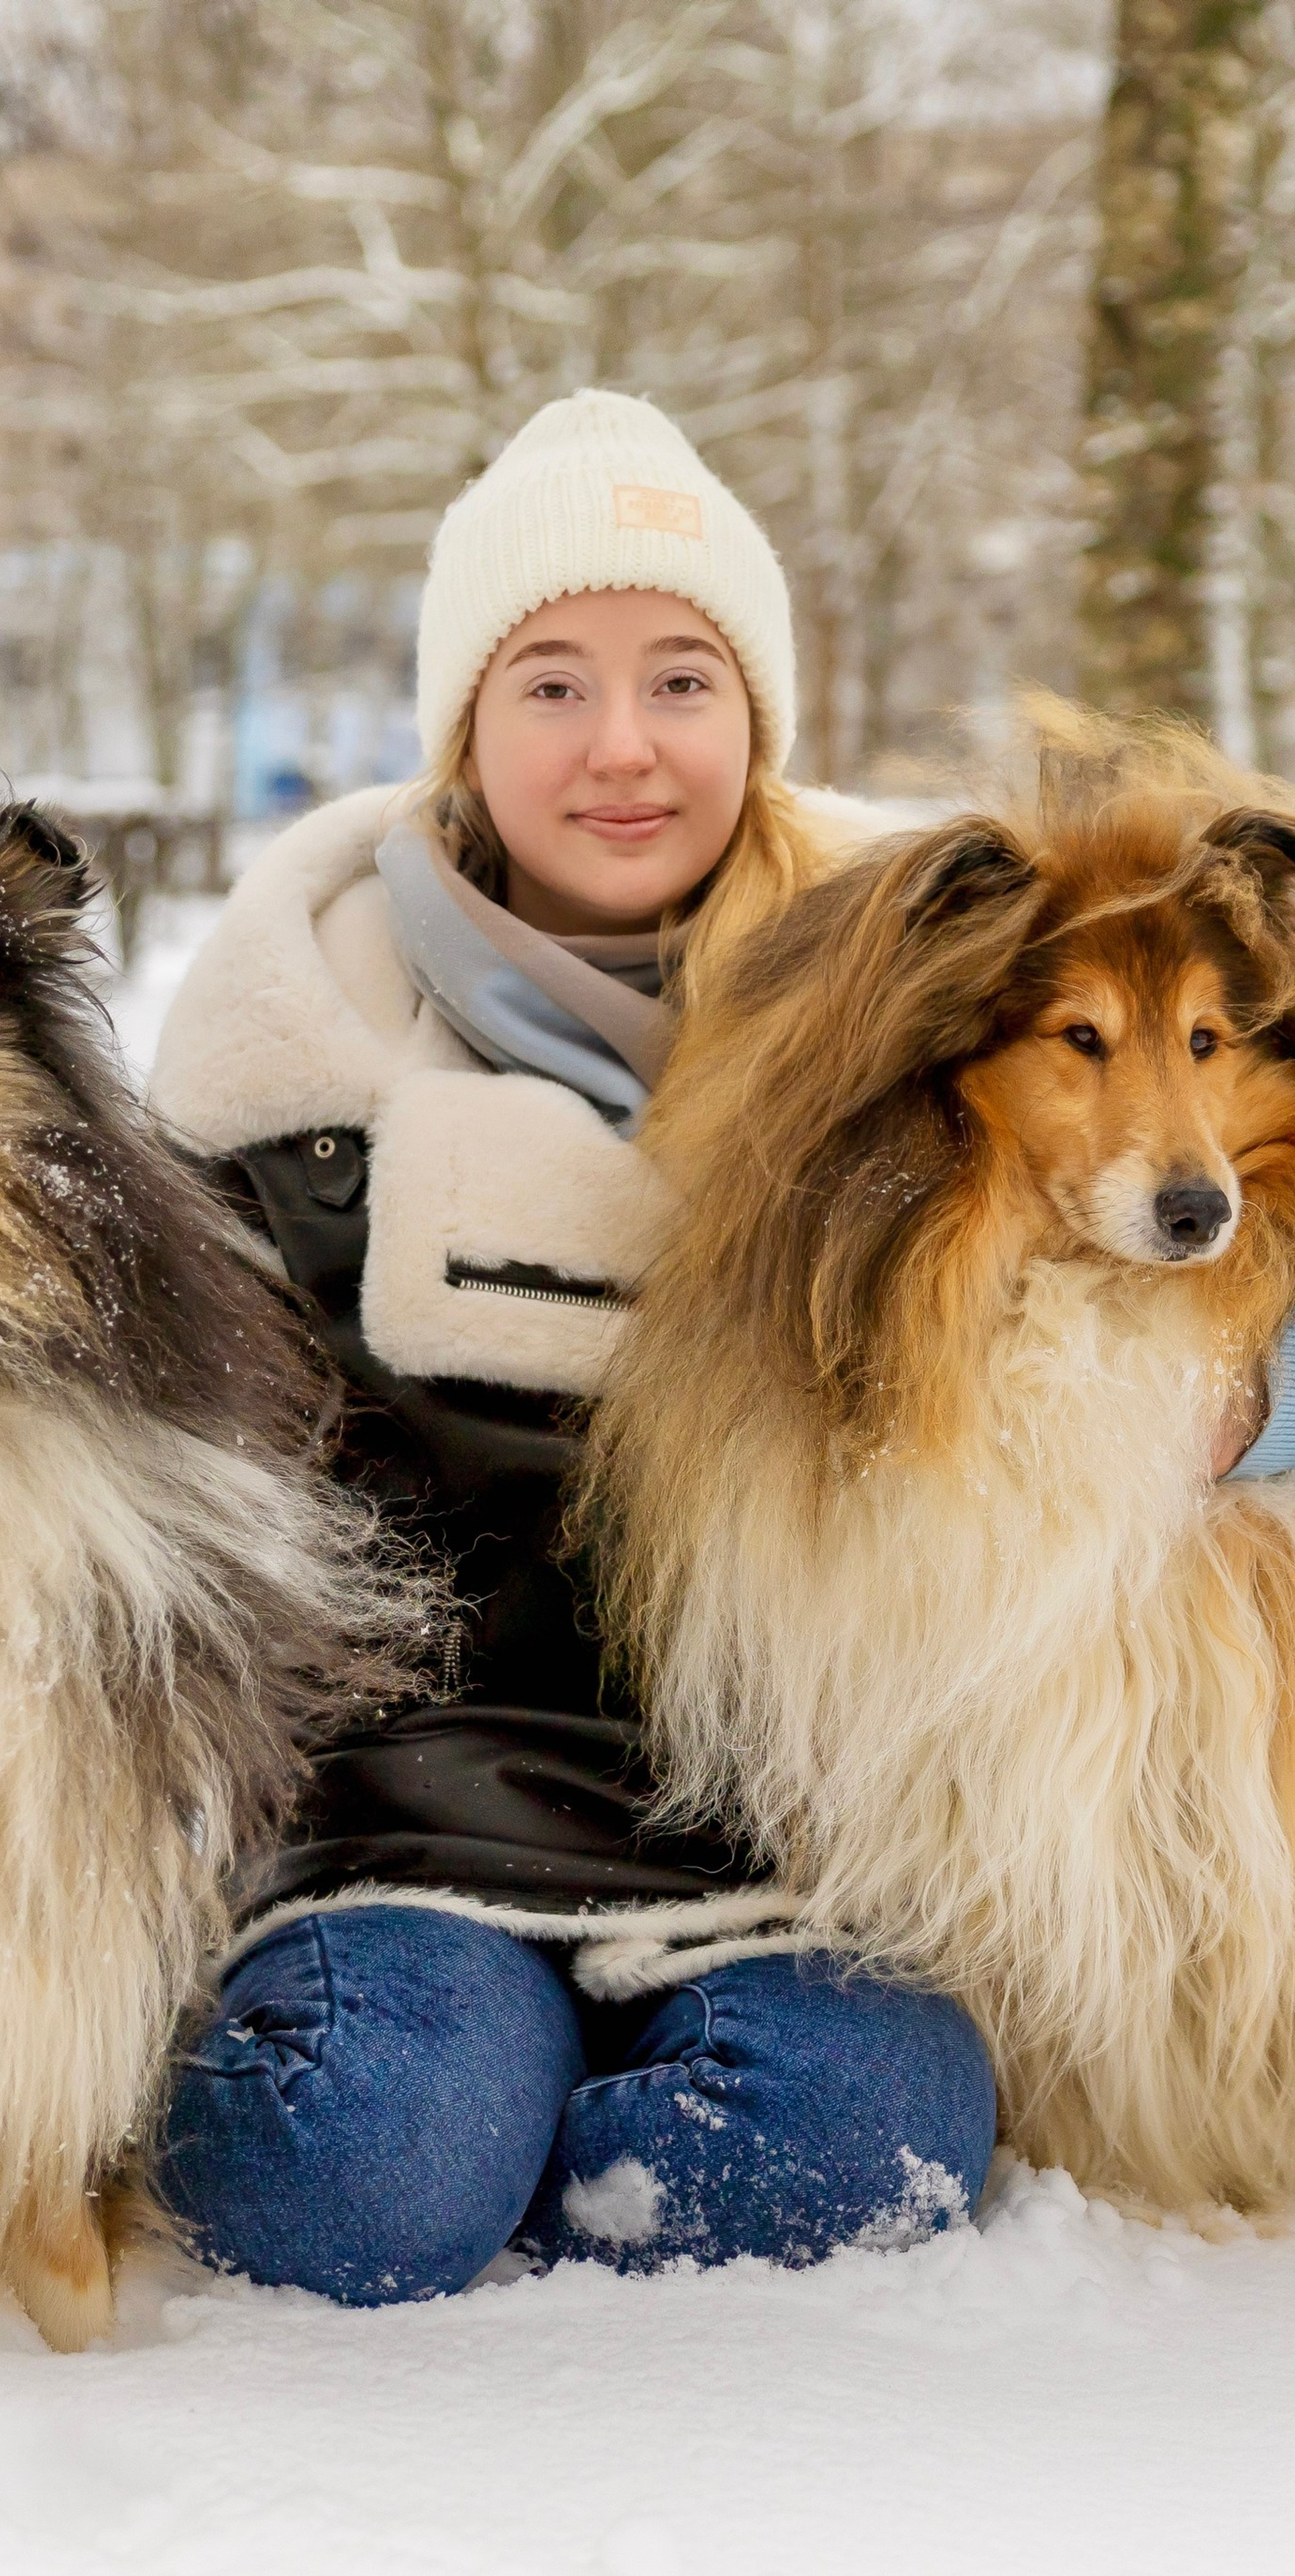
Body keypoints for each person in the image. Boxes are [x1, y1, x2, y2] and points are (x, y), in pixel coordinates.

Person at [150, 389, 998, 2304]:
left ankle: (553, 2117)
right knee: (350, 2175)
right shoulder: (295, 1055)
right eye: (550, 685)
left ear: (758, 716)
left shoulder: (940, 1021)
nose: (624, 749)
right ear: (464, 722)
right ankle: (456, 2095)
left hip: (788, 1835)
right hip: (399, 1823)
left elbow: (1180, 1259)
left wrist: (1242, 1411)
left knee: (868, 2157)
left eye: (682, 680)